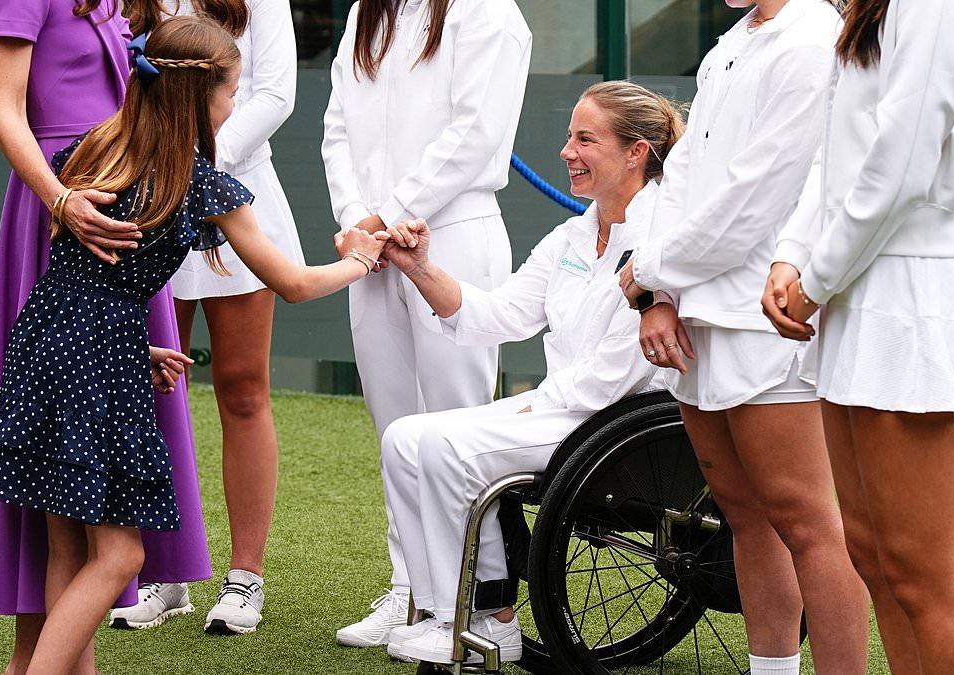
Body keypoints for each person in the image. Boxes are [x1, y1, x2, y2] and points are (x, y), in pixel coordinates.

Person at [0, 16, 388, 673]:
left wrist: (128, 349)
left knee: (68, 551)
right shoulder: (202, 186)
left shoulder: (87, 150)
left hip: (43, 350)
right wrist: (361, 260)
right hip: (93, 365)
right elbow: (291, 281)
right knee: (120, 556)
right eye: (230, 93)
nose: (234, 105)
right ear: (203, 100)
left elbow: (74, 285)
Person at [369, 81, 675, 665]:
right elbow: (500, 314)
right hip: (568, 410)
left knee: (450, 446)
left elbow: (622, 369)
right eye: (569, 137)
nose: (567, 152)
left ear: (635, 152)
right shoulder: (573, 235)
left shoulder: (662, 239)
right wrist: (419, 268)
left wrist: (537, 402)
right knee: (405, 437)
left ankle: (491, 619)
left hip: (621, 423)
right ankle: (445, 612)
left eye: (586, 139)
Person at [762, 0, 954, 672]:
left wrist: (814, 278)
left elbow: (902, 162)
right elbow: (840, 150)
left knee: (922, 571)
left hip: (911, 293)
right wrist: (792, 254)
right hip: (858, 288)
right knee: (874, 555)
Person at [617, 1, 871, 673]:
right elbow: (682, 179)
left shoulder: (813, 41)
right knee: (744, 513)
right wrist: (659, 294)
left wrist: (647, 271)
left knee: (809, 523)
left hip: (769, 318)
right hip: (700, 313)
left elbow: (754, 199)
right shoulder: (734, 40)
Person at [0, 1, 210, 671]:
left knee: (84, 515)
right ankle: (36, 656)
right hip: (61, 206)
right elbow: (4, 110)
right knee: (57, 477)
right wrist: (59, 199)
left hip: (127, 207)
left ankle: (54, 660)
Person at [323, 0, 532, 648]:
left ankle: (488, 609)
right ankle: (414, 589)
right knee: (395, 425)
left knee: (460, 423)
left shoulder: (489, 11)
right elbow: (336, 126)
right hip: (372, 247)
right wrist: (360, 216)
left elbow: (474, 132)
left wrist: (388, 213)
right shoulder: (367, 11)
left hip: (455, 232)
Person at [108, 0, 302, 636]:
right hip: (153, 196)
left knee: (243, 388)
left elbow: (275, 94)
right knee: (153, 385)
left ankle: (245, 577)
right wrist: (162, 166)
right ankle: (168, 571)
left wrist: (197, 162)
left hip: (236, 198)